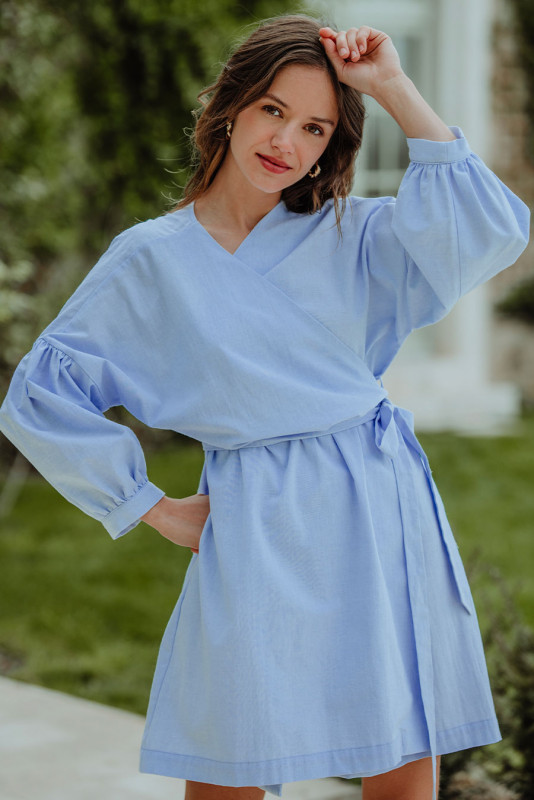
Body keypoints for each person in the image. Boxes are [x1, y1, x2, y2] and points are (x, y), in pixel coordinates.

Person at [0, 13, 529, 800]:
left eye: (315, 127)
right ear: (231, 107)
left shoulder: (355, 234)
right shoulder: (152, 259)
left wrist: (391, 86)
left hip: (377, 504)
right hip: (253, 516)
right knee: (230, 757)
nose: (287, 142)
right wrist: (149, 506)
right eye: (273, 110)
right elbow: (41, 393)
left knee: (399, 753)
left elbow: (489, 232)